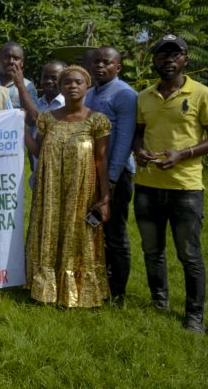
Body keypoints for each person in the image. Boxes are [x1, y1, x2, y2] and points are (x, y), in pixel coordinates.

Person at [133, 34, 208, 334]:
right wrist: (139, 151)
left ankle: (194, 316)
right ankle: (159, 303)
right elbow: (138, 133)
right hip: (147, 185)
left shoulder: (202, 94)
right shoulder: (144, 96)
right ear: (154, 61)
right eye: (162, 55)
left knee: (189, 254)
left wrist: (183, 154)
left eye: (175, 54)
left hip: (185, 188)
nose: (168, 60)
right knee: (152, 250)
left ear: (185, 59)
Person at [25, 65, 111, 307]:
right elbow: (38, 150)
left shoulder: (98, 121)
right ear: (60, 88)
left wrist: (105, 198)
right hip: (50, 188)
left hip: (81, 190)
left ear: (87, 86)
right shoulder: (47, 119)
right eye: (67, 82)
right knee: (49, 231)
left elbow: (101, 160)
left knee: (77, 233)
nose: (73, 86)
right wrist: (20, 128)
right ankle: (45, 288)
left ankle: (79, 289)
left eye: (78, 82)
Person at [85, 46, 137, 306]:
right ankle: (99, 283)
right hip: (93, 173)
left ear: (118, 67)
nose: (100, 66)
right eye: (96, 62)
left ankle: (117, 292)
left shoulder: (124, 94)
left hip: (117, 174)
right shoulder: (90, 93)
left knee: (115, 234)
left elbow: (125, 140)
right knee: (95, 228)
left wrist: (112, 180)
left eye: (106, 62)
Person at [28, 60, 66, 188]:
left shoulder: (70, 105)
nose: (49, 81)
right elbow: (31, 137)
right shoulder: (36, 106)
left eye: (54, 78)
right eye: (45, 77)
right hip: (38, 171)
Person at [0, 41, 39, 124]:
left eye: (16, 58)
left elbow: (33, 118)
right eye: (6, 57)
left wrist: (20, 85)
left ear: (22, 62)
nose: (11, 61)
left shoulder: (28, 85)